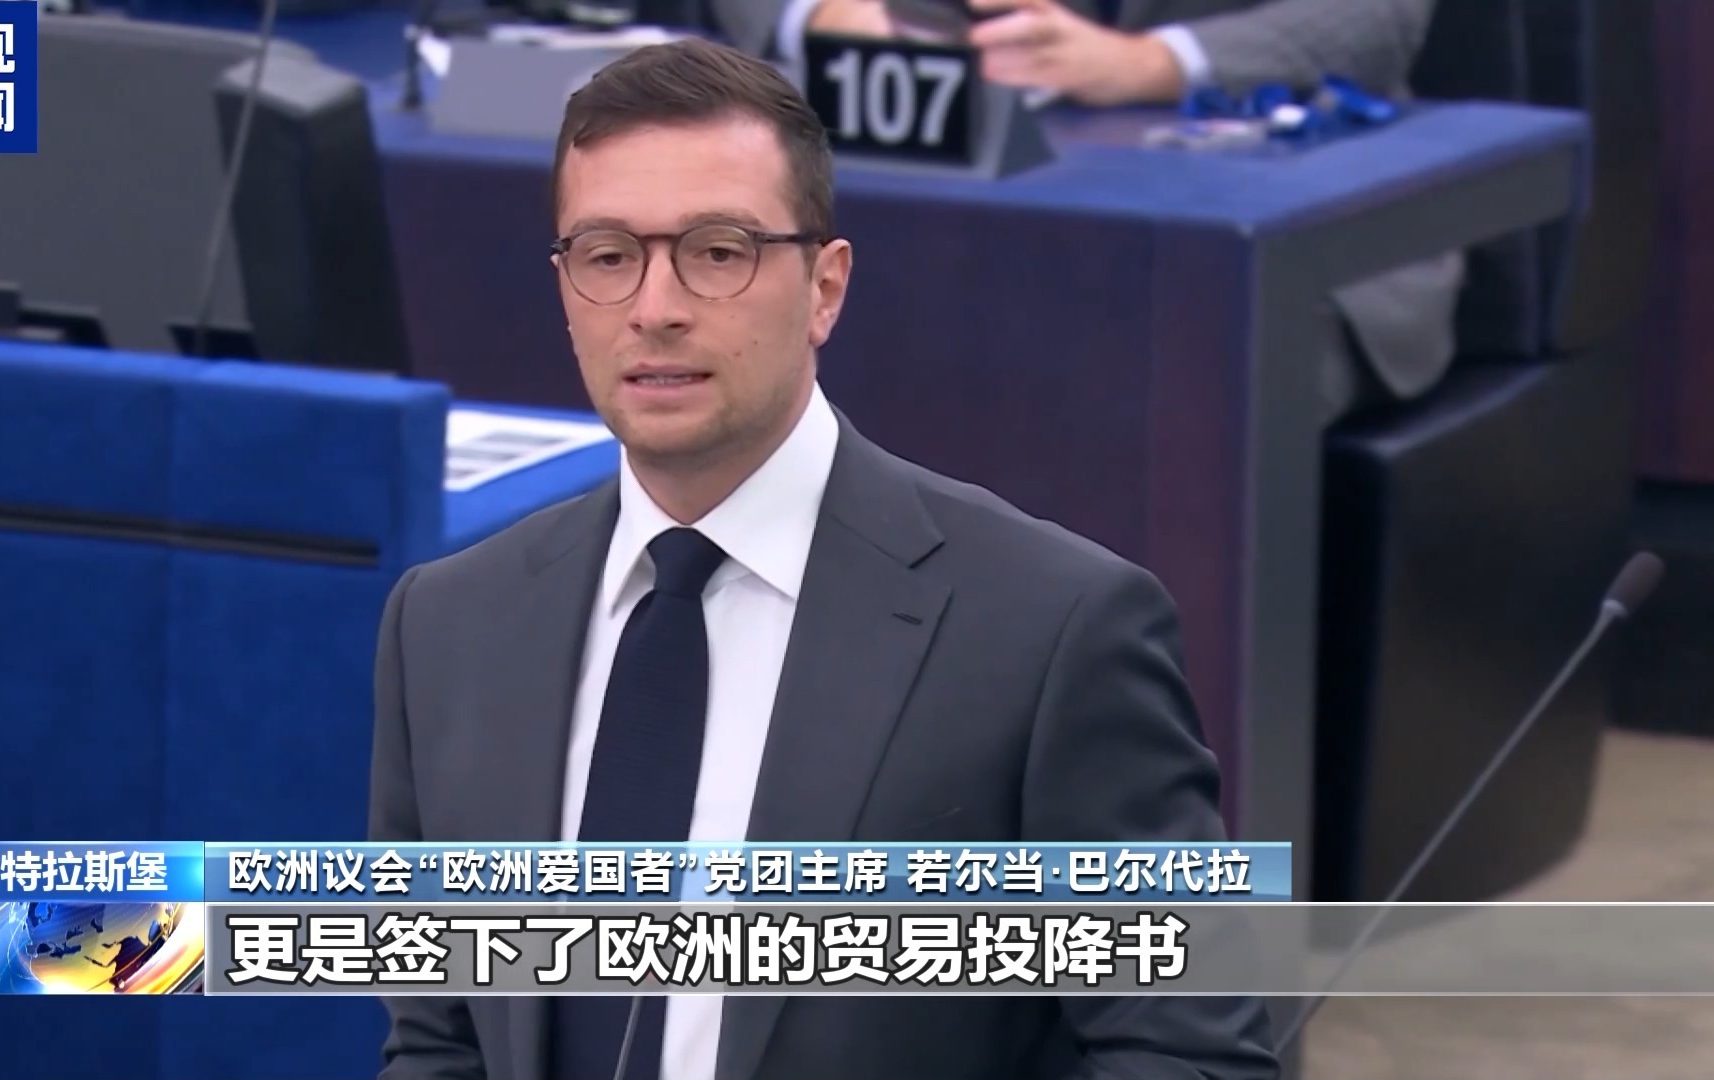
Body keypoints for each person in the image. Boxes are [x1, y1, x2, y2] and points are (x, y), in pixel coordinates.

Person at [368, 37, 1278, 1080]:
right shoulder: (449, 627)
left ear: (824, 288)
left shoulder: (1050, 633)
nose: (656, 307)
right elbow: (440, 1042)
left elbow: (1188, 1056)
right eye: (609, 256)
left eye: (718, 252)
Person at [708, 0, 1463, 425]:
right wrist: (826, 13)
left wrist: (1146, 64)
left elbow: (1378, 15)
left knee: (1169, 386)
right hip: (913, 216)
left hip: (1273, 227)